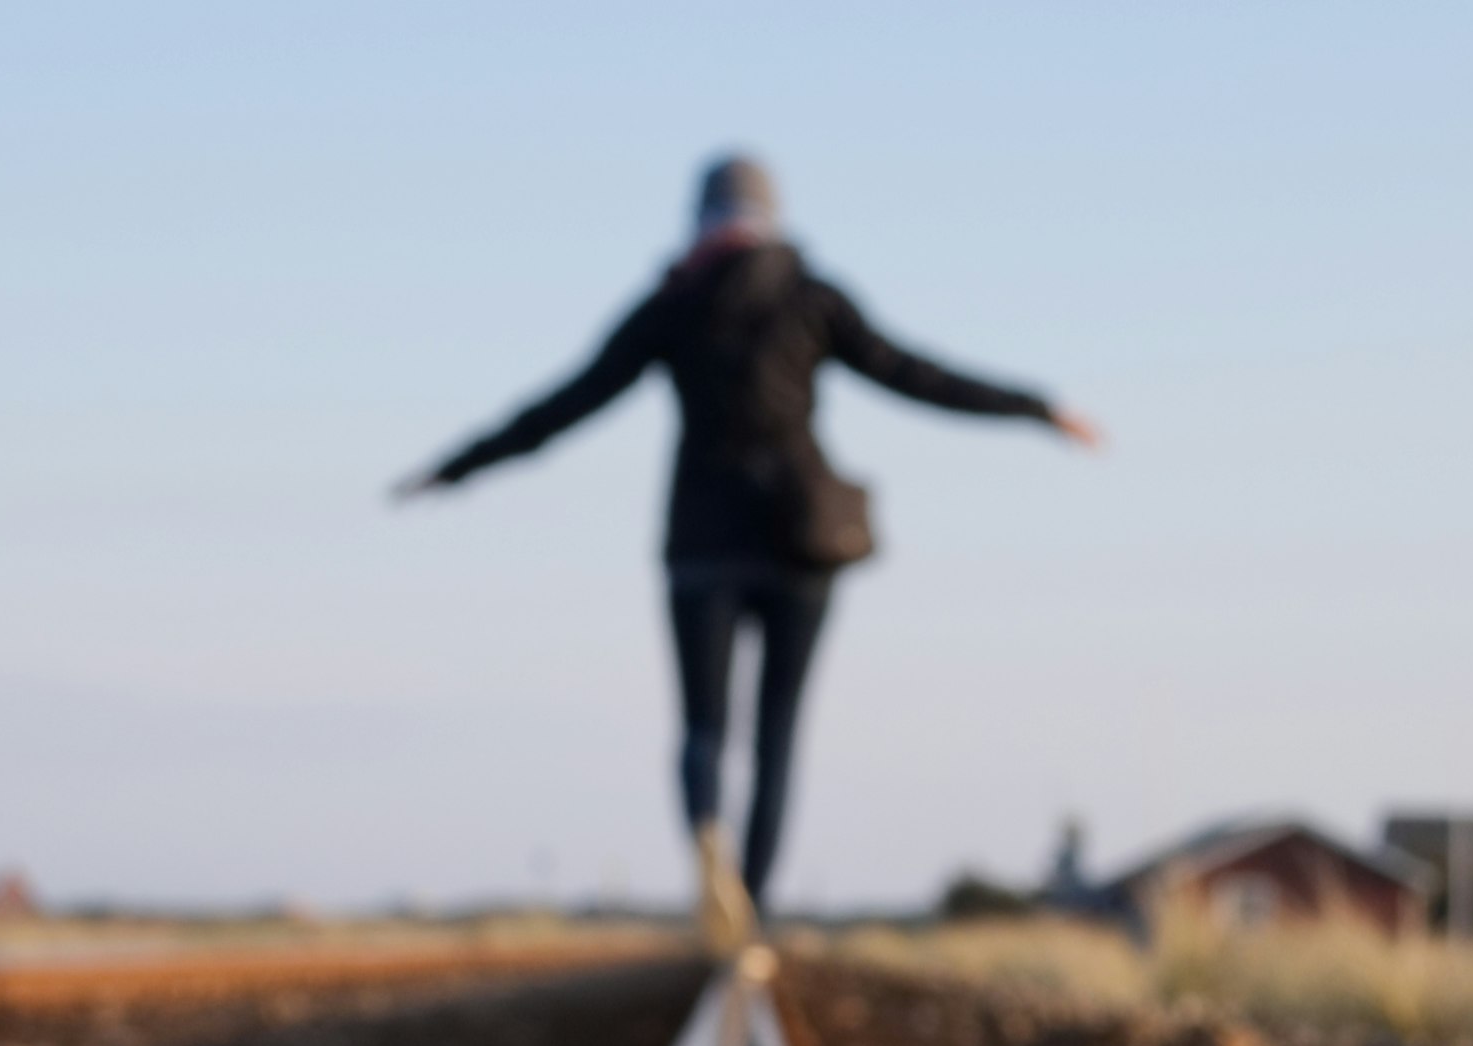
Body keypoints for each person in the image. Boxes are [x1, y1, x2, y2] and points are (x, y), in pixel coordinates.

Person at [398, 155, 1103, 950]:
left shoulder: (673, 304)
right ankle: (753, 913)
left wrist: (453, 469)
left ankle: (707, 829)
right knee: (777, 736)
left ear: (698, 218)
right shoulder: (810, 298)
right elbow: (916, 375)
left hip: (699, 544)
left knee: (704, 730)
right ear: (772, 216)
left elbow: (566, 404)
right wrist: (1036, 409)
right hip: (799, 541)